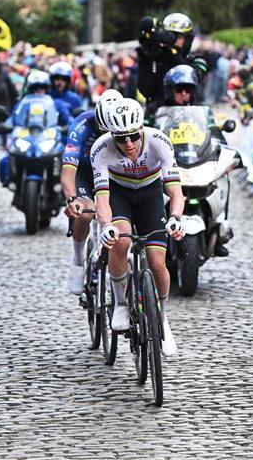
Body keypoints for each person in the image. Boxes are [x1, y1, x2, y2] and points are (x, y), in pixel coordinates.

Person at [91, 98, 185, 357]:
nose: (129, 144)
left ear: (142, 128)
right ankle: (121, 303)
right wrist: (106, 226)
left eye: (133, 136)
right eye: (121, 138)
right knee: (120, 242)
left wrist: (176, 217)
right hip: (119, 194)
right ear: (111, 135)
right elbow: (102, 198)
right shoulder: (101, 149)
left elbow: (175, 191)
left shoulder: (159, 141)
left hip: (150, 194)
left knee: (157, 263)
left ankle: (163, 319)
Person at [61, 89, 123, 295]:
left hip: (113, 173)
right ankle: (78, 258)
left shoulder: (126, 125)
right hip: (85, 173)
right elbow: (68, 170)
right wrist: (71, 199)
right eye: (100, 130)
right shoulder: (82, 124)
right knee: (86, 212)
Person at [136, 12, 207, 104]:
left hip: (188, 112)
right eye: (171, 36)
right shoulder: (158, 60)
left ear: (188, 40)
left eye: (179, 37)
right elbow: (145, 89)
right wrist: (146, 54)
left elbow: (191, 76)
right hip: (159, 113)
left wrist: (171, 52)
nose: (173, 41)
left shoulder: (197, 60)